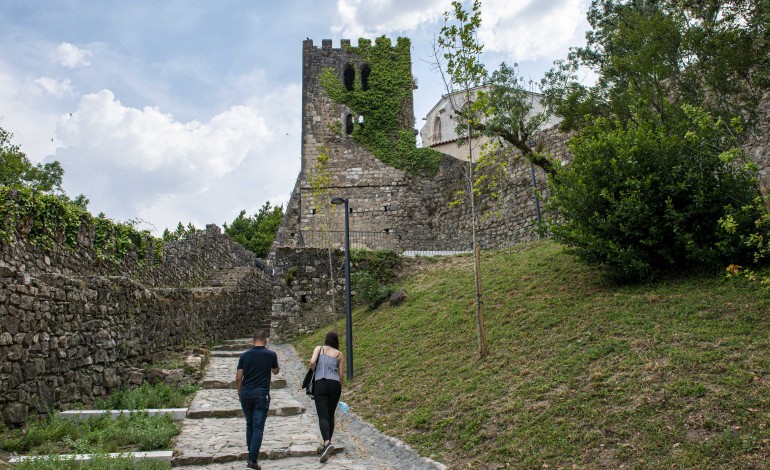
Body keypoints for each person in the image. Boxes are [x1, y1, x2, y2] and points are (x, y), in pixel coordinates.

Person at [236, 329, 280, 470]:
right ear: (265, 340)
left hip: (246, 394)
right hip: (261, 395)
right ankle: (252, 460)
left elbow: (238, 377)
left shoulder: (244, 355)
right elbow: (276, 371)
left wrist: (239, 393)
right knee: (258, 427)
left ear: (253, 340)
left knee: (250, 424)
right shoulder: (270, 354)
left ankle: (251, 455)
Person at [309, 331, 344, 463]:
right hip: (335, 385)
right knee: (330, 415)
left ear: (326, 339)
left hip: (321, 383)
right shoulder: (339, 354)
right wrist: (340, 387)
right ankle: (328, 443)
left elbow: (312, 362)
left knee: (322, 415)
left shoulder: (319, 348)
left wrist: (315, 370)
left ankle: (327, 442)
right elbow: (340, 375)